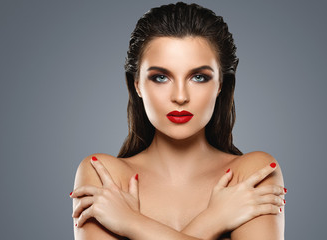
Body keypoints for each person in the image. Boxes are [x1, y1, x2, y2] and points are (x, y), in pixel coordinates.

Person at [70, 2, 286, 239]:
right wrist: (214, 220)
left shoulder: (252, 174)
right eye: (161, 77)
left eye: (199, 77)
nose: (180, 97)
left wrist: (131, 222)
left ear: (221, 85)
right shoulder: (104, 175)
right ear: (137, 84)